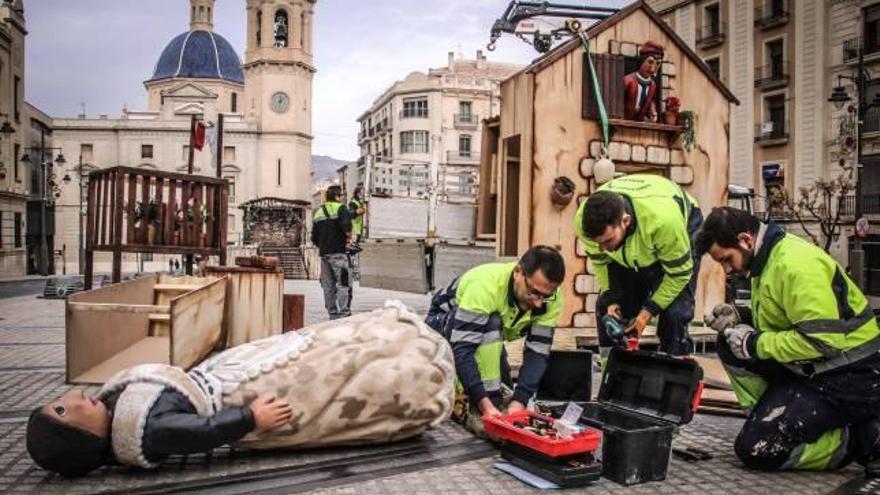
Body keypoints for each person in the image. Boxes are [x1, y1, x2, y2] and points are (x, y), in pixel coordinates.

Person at [26, 302, 454, 477]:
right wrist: (251, 417)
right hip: (243, 395)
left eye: (58, 402)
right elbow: (204, 431)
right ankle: (409, 375)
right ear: (82, 438)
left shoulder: (121, 405)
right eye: (62, 412)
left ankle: (391, 342)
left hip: (229, 374)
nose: (69, 399)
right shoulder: (145, 429)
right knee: (328, 371)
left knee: (314, 345)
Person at [696, 207, 880, 477]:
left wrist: (754, 343)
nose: (726, 269)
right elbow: (783, 318)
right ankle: (772, 416)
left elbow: (822, 342)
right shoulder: (767, 260)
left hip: (850, 376)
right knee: (729, 345)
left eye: (726, 259)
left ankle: (858, 437)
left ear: (746, 240)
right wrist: (739, 316)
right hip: (815, 368)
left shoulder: (794, 264)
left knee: (759, 450)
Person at [425, 245, 565, 435]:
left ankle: (494, 400)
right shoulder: (485, 286)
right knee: (492, 322)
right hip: (440, 328)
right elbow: (462, 350)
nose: (539, 302)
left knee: (504, 386)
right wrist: (485, 405)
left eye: (546, 296)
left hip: (488, 333)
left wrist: (520, 401)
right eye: (533, 292)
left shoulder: (551, 299)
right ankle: (475, 405)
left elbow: (537, 353)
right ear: (518, 272)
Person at [574, 173, 703, 361]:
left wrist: (645, 314)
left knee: (674, 314)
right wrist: (612, 300)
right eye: (597, 242)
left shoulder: (663, 222)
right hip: (640, 239)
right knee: (606, 305)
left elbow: (679, 275)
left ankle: (675, 373)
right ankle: (612, 375)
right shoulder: (583, 221)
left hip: (682, 224)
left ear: (625, 221)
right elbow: (601, 262)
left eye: (608, 240)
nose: (602, 248)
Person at [311, 185, 353, 320]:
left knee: (328, 286)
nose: (342, 198)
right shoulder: (341, 208)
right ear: (336, 196)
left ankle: (332, 315)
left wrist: (324, 246)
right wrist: (348, 239)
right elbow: (347, 227)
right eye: (341, 196)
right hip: (339, 253)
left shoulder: (318, 212)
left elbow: (314, 238)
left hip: (324, 255)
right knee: (343, 283)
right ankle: (344, 314)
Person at [623, 41, 664, 122]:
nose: (652, 69)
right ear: (641, 61)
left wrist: (652, 111)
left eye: (658, 64)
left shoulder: (652, 85)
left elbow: (650, 100)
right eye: (650, 62)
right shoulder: (627, 81)